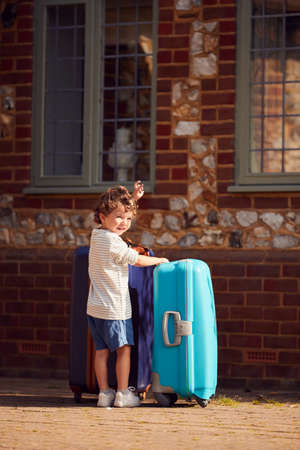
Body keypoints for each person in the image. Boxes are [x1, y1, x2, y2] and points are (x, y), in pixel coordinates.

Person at [87, 181, 169, 408]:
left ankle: (104, 394)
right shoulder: (114, 243)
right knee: (124, 350)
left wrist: (133, 197)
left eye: (128, 218)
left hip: (95, 308)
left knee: (101, 352)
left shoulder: (97, 236)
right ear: (102, 217)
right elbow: (137, 260)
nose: (124, 223)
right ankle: (123, 394)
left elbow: (119, 210)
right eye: (118, 218)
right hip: (115, 308)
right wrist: (159, 260)